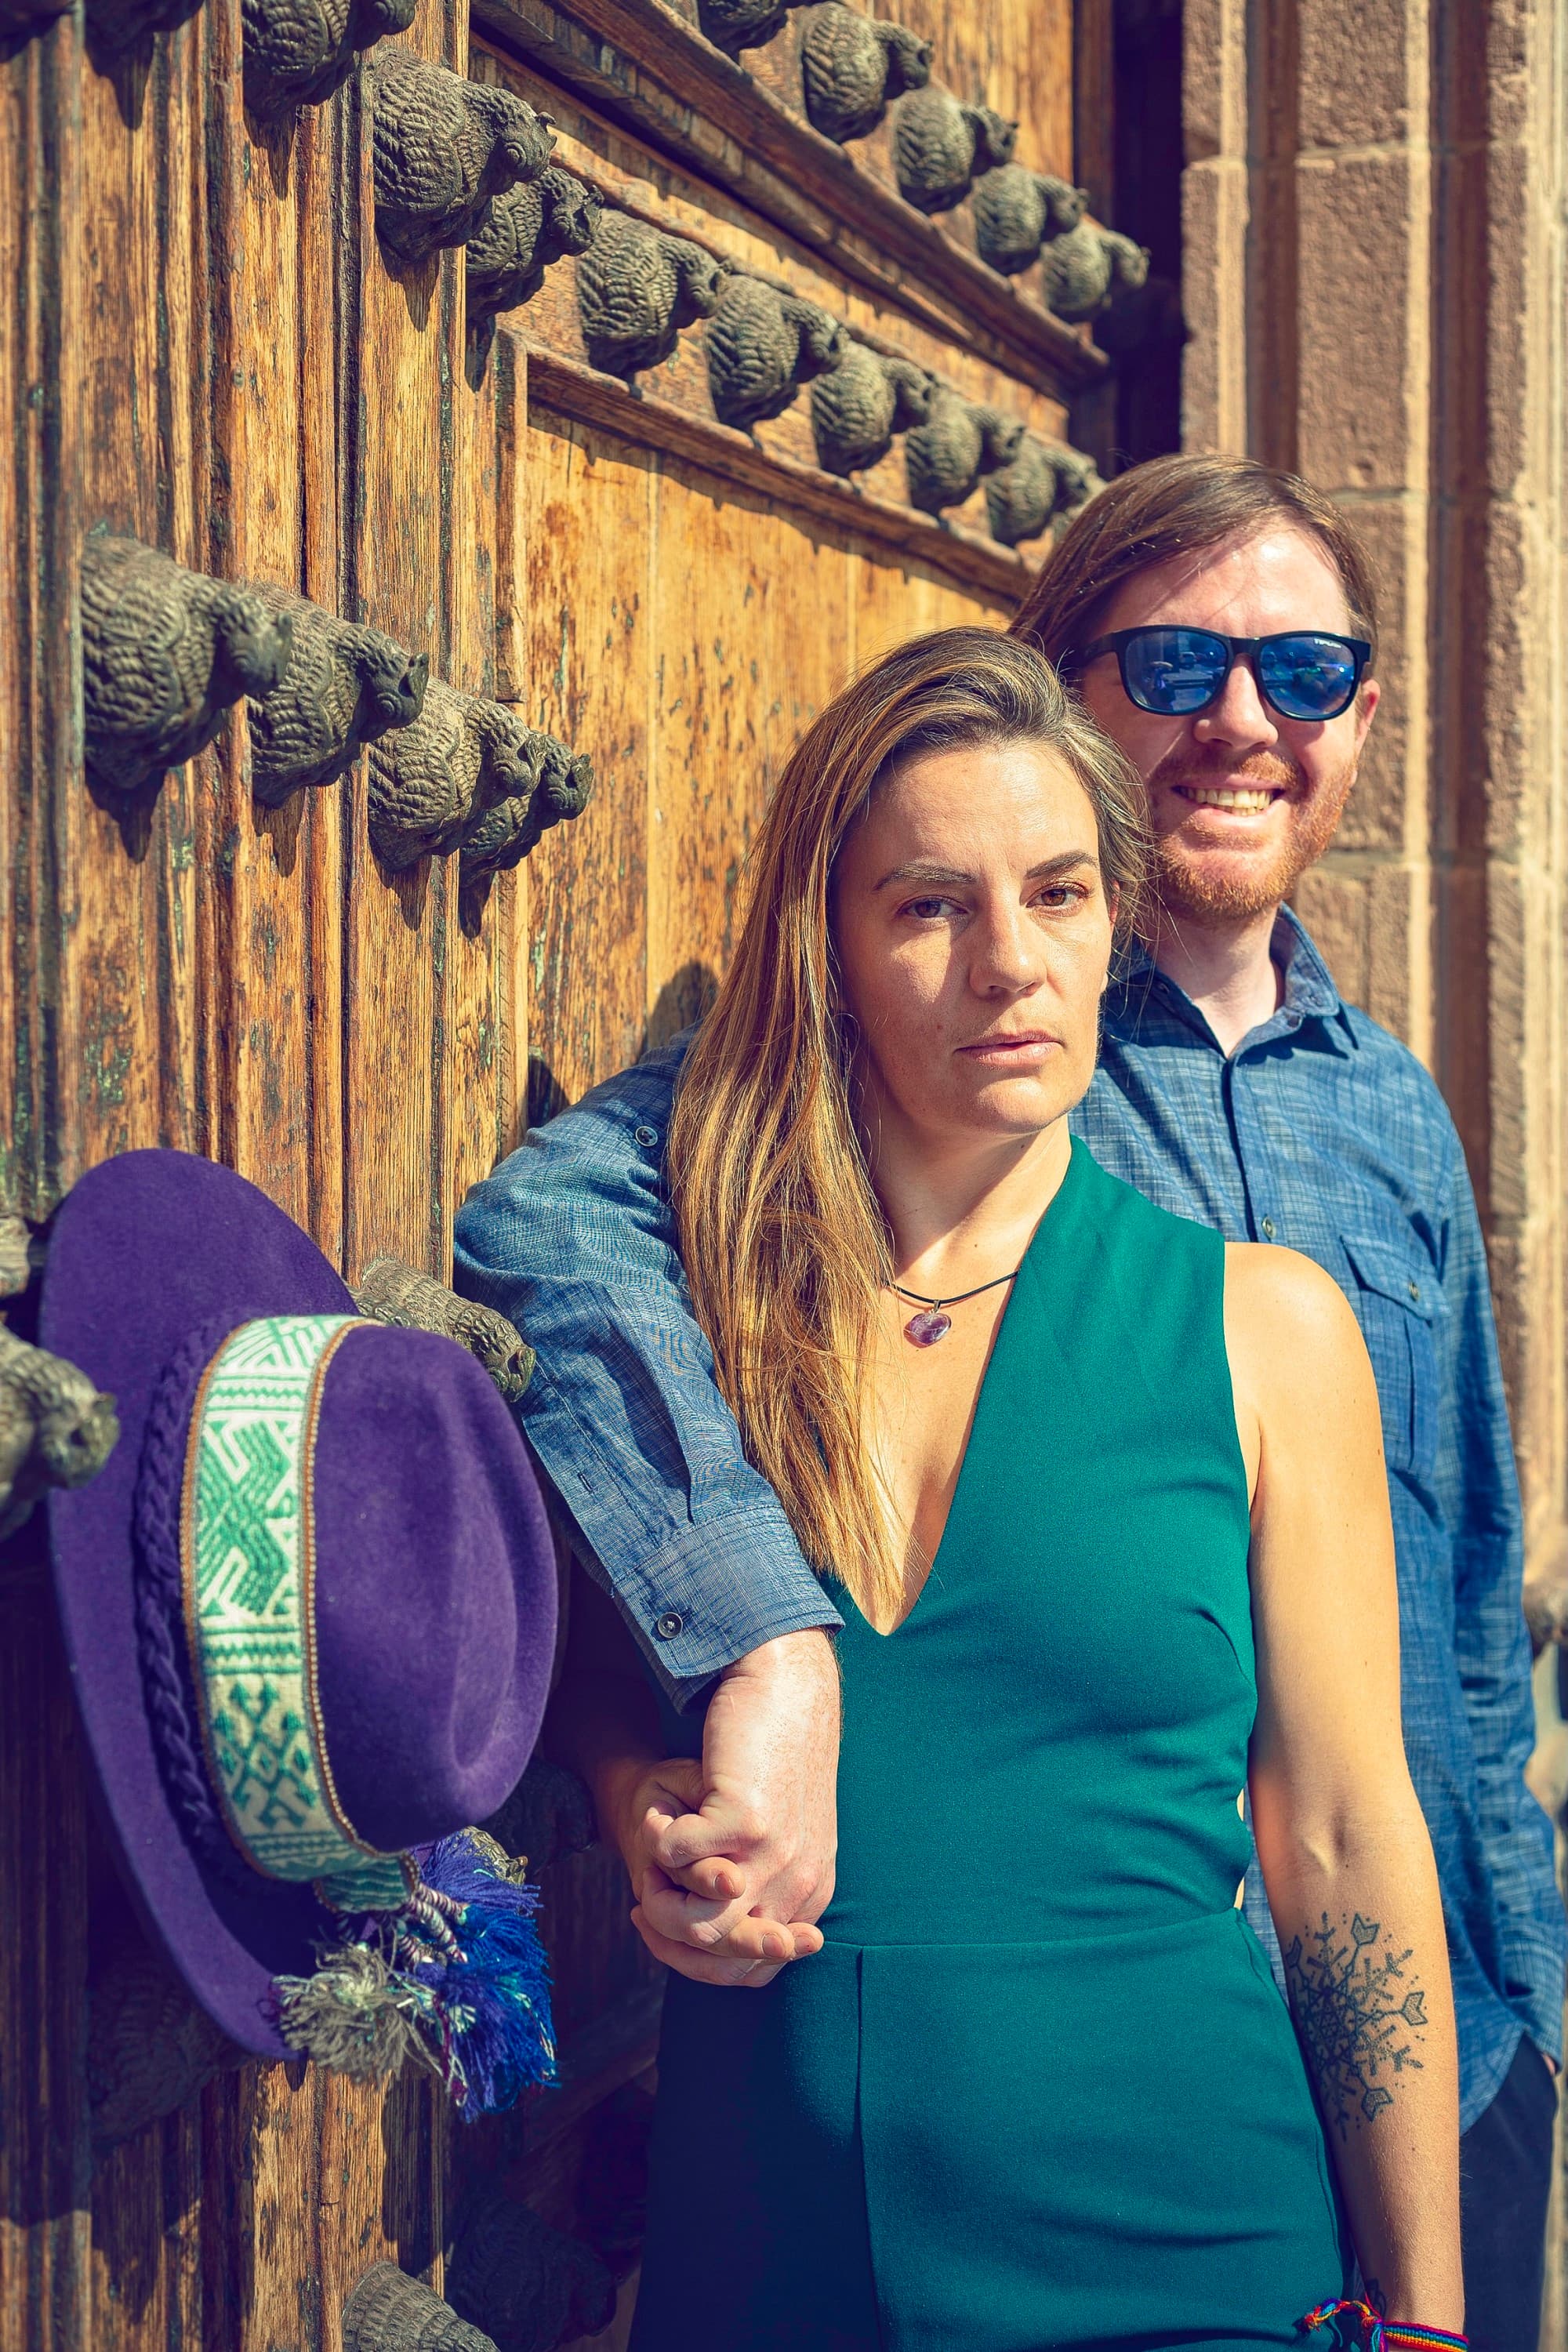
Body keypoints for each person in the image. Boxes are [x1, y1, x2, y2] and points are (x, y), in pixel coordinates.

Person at [456, 456, 1564, 2340]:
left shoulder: (1337, 1194)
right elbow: (547, 1324)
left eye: (1055, 896)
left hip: (1193, 2218)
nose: (1007, 962)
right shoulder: (711, 1252)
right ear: (833, 942)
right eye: (929, 909)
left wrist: (1457, 2239)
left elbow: (1374, 1776)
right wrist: (651, 1774)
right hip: (768, 2238)